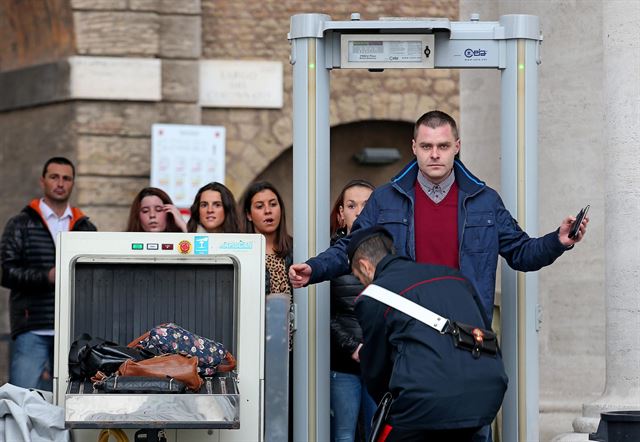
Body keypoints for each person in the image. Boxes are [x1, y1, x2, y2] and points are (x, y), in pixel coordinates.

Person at [290, 110, 589, 322]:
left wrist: (558, 240)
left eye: (443, 146)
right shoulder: (386, 198)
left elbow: (522, 253)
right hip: (406, 325)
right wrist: (314, 269)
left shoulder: (484, 201)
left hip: (466, 327)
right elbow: (350, 249)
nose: (435, 154)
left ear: (456, 148)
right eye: (427, 146)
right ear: (414, 148)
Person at [348, 226, 507, 442]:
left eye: (359, 278)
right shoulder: (455, 278)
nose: (362, 283)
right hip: (485, 395)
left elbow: (377, 370)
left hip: (424, 404)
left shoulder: (375, 295)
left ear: (365, 266)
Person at [0, 157, 97, 390]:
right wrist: (47, 276)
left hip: (73, 328)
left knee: (70, 400)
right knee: (21, 398)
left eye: (66, 178)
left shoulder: (85, 227)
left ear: (73, 183)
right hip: (33, 325)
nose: (60, 183)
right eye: (54, 177)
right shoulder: (20, 224)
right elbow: (6, 272)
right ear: (43, 181)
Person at [328, 179, 377, 442]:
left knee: (377, 435)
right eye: (351, 205)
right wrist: (353, 347)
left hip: (380, 364)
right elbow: (324, 315)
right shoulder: (331, 258)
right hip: (343, 365)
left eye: (367, 205)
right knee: (344, 436)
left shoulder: (392, 256)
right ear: (340, 213)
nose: (359, 212)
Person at [243, 181, 293, 297]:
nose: (268, 211)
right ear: (248, 215)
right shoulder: (241, 252)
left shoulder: (295, 249)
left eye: (273, 204)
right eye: (260, 206)